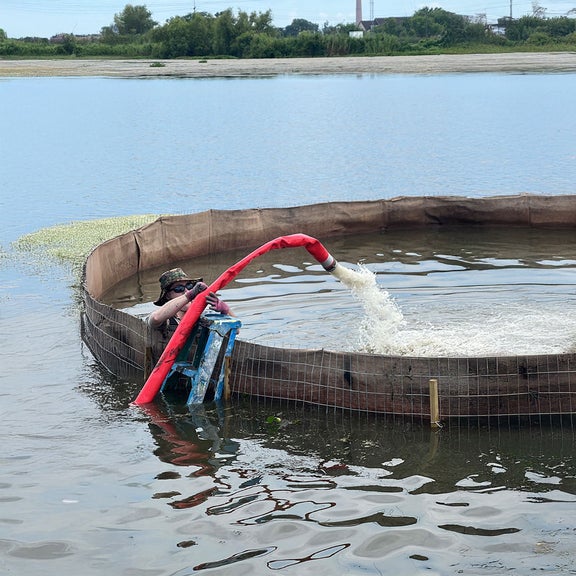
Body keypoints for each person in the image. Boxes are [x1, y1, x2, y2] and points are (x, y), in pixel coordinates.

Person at [147, 267, 232, 331]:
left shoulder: (203, 316)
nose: (186, 291)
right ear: (168, 296)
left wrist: (225, 311)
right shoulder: (166, 319)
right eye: (178, 289)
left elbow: (236, 330)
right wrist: (188, 296)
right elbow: (155, 318)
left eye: (189, 286)